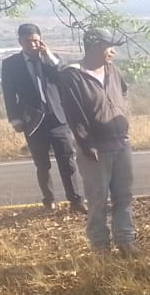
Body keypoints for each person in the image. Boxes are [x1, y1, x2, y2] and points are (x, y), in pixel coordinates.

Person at [57, 28, 137, 256]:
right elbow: (74, 114)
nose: (112, 52)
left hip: (120, 143)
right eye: (108, 47)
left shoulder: (113, 70)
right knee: (98, 198)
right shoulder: (72, 75)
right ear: (93, 47)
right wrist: (86, 143)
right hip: (94, 149)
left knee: (124, 195)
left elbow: (123, 93)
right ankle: (100, 245)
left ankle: (126, 240)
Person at [0, 24, 83, 213]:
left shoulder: (51, 60)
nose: (33, 45)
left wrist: (48, 55)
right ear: (20, 42)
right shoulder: (11, 64)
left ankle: (76, 200)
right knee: (42, 164)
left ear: (41, 40)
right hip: (33, 120)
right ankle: (49, 200)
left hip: (58, 118)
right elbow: (9, 93)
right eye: (29, 41)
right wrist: (15, 119)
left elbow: (62, 76)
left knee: (67, 160)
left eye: (36, 41)